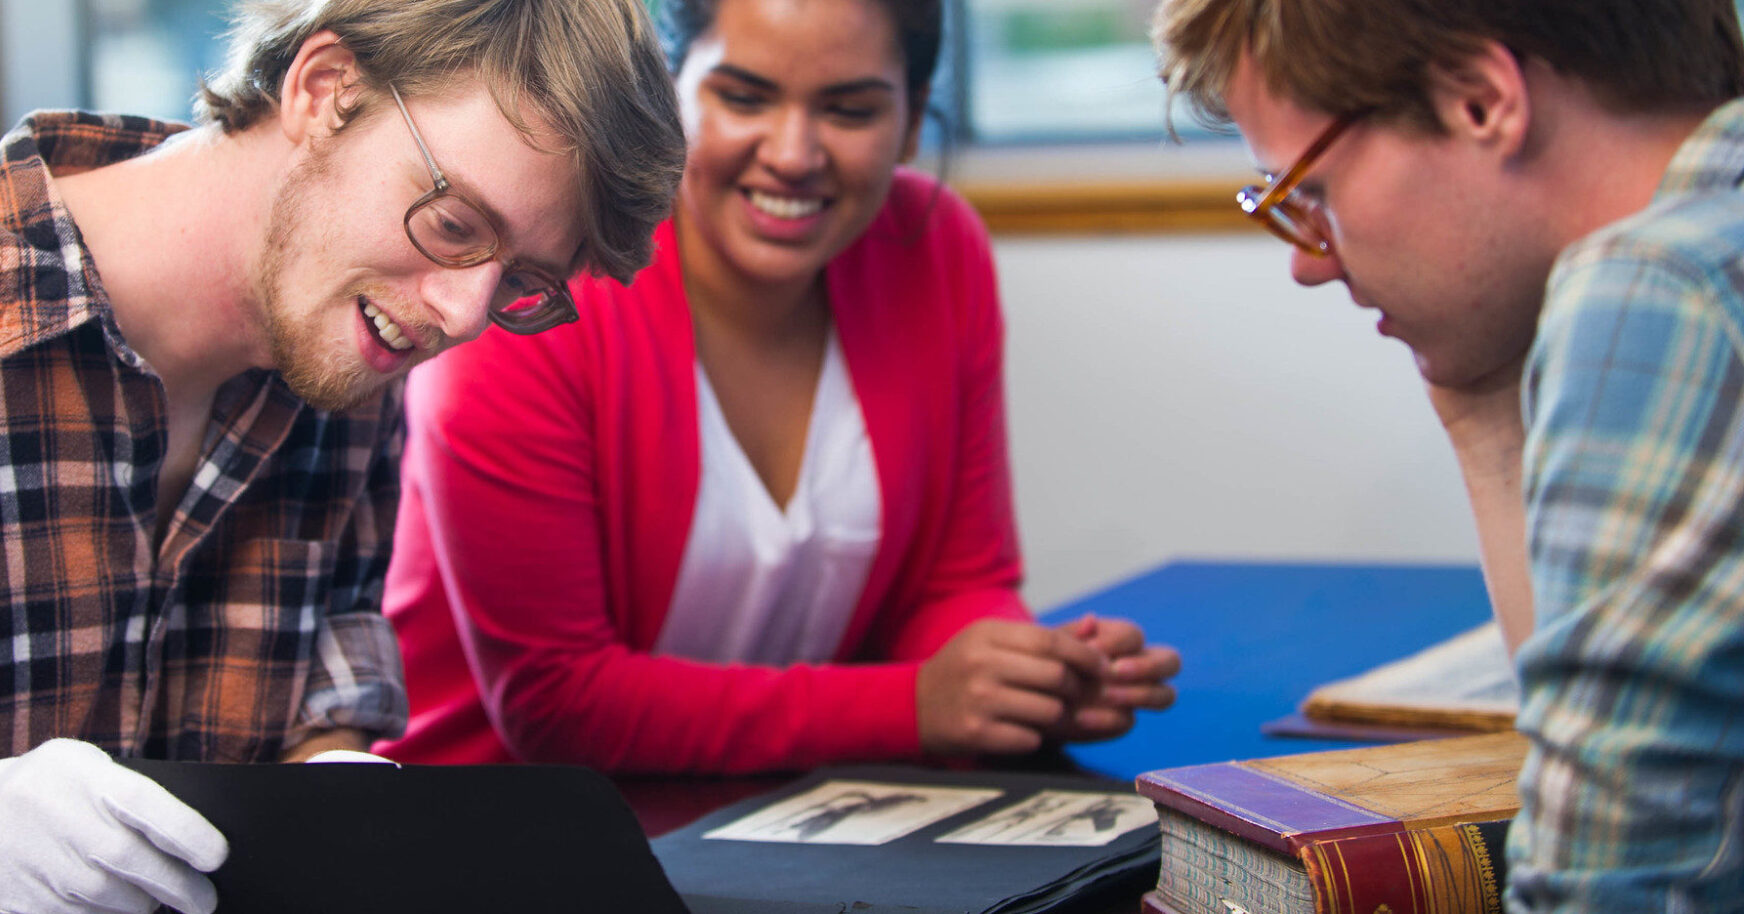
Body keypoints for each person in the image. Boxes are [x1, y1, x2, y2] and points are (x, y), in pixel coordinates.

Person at [0, 0, 682, 910]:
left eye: (521, 283)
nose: (461, 316)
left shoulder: (352, 346)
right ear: (322, 90)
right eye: (451, 225)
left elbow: (316, 714)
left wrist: (340, 794)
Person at [374, 0, 1180, 775]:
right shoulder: (537, 295)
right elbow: (555, 702)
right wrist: (914, 706)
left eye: (851, 110)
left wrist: (1022, 676)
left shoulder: (935, 248)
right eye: (744, 97)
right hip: (511, 831)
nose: (793, 153)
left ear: (913, 116)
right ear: (669, 91)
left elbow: (956, 585)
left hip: (798, 814)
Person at [1151, 0, 1744, 909]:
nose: (1307, 261)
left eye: (1309, 191)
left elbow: (1606, 886)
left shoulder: (1661, 285)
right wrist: (1478, 414)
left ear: (1479, 100)